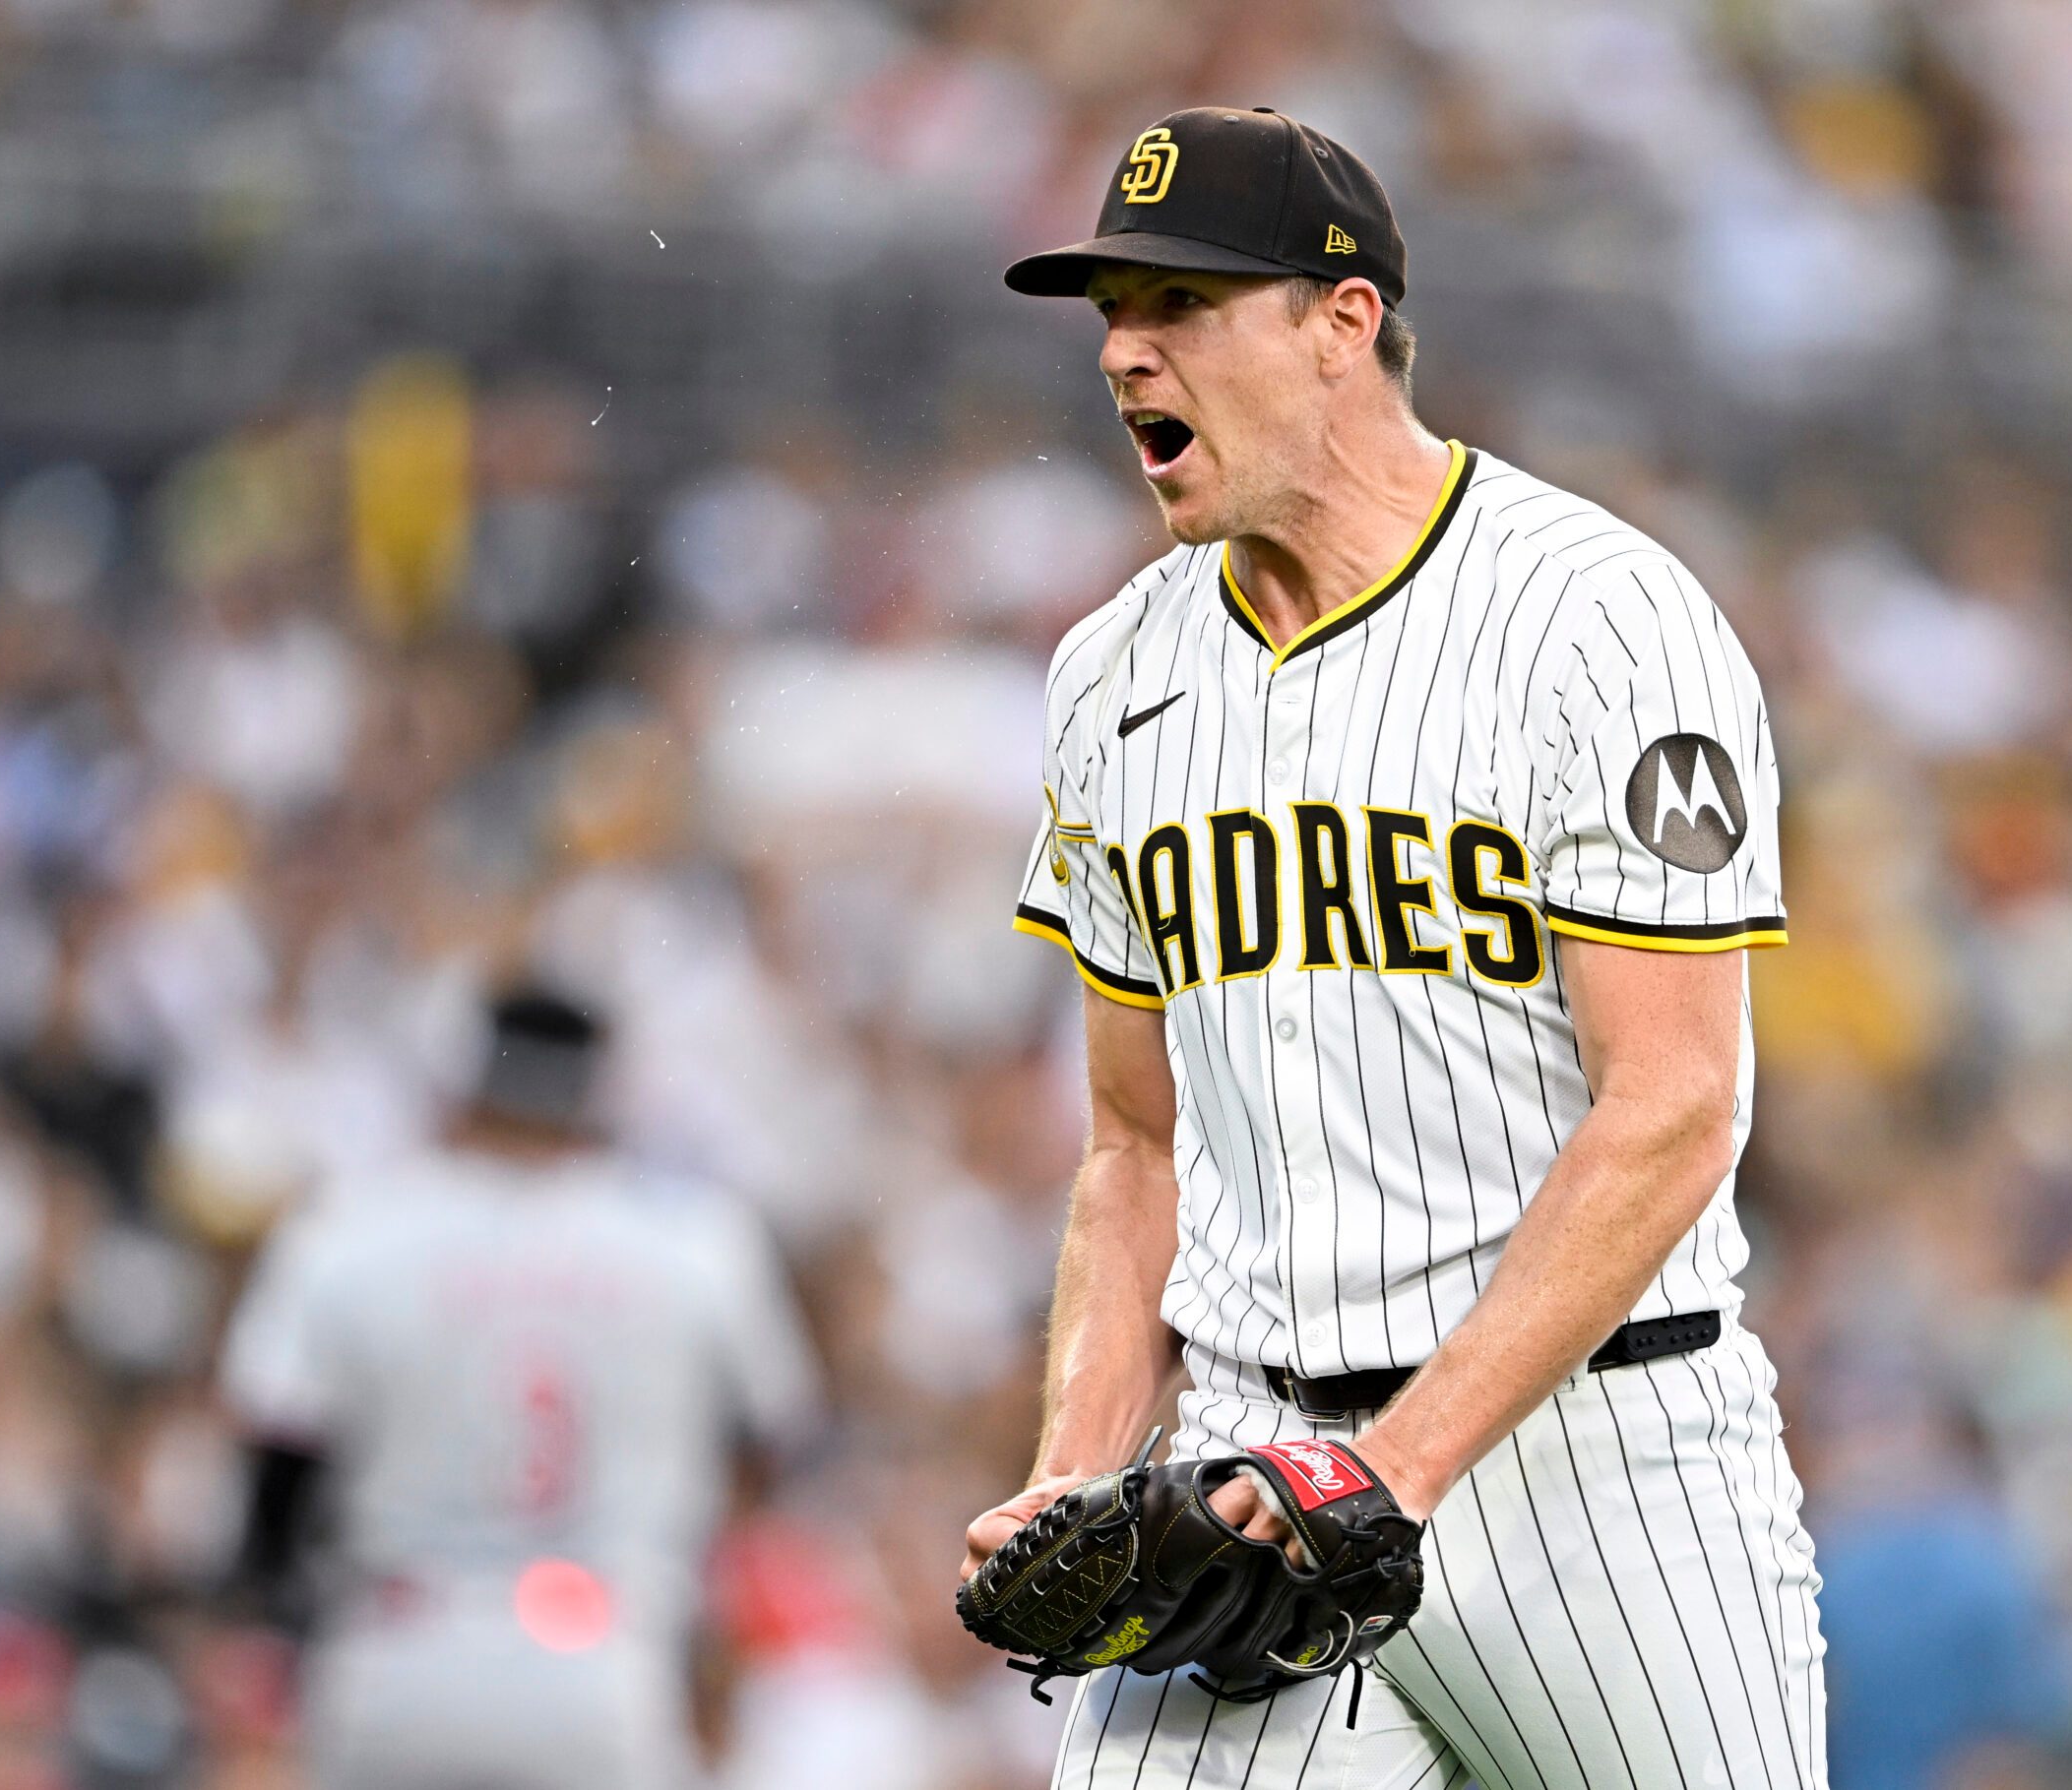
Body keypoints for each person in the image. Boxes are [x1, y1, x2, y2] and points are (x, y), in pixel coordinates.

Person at [964, 105, 1826, 1789]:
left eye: (1180, 306)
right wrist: (1078, 1465)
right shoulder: (1110, 676)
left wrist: (1401, 1463)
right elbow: (1137, 1141)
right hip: (1249, 1467)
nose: (1126, 351)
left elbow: (1673, 1101)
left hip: (1605, 1469)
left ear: (1341, 323)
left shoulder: (1596, 616)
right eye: (1112, 314)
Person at [220, 985, 820, 1790]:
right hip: (606, 1656)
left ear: (470, 1080)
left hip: (398, 1644)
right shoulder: (693, 1237)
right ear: (597, 1091)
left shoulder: (354, 1227)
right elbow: (768, 1446)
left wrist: (289, 1613)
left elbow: (277, 1468)